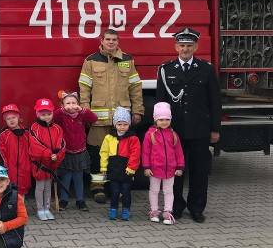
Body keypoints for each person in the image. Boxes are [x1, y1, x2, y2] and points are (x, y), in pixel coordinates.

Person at [156, 27, 221, 223]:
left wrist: (215, 129)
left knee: (200, 171)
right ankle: (175, 206)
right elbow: (161, 102)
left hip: (200, 129)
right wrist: (160, 130)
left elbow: (215, 101)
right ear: (176, 47)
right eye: (182, 45)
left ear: (196, 47)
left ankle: (196, 207)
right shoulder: (166, 69)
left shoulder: (207, 69)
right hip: (174, 131)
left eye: (189, 46)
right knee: (174, 171)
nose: (185, 49)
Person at [78, 29, 144, 203]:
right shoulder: (91, 61)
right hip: (98, 120)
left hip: (120, 120)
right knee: (97, 152)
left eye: (114, 39)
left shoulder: (127, 60)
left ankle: (118, 186)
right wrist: (85, 112)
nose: (111, 42)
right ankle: (98, 187)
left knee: (120, 155)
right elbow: (84, 88)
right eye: (108, 39)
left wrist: (137, 110)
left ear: (118, 41)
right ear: (102, 40)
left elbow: (135, 88)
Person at [52, 91, 98, 211]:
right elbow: (53, 117)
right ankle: (63, 201)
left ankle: (80, 201)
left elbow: (94, 118)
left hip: (80, 152)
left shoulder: (81, 115)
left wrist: (82, 109)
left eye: (73, 103)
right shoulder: (61, 115)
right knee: (66, 177)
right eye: (67, 103)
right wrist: (62, 110)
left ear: (78, 104)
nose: (71, 106)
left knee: (78, 178)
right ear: (63, 105)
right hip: (66, 152)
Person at [142, 102, 185, 225]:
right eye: (161, 119)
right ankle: (154, 211)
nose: (164, 122)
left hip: (170, 169)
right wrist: (146, 167)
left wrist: (180, 166)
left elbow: (179, 152)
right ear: (155, 120)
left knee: (169, 191)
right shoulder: (150, 134)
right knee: (154, 190)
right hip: (154, 169)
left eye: (167, 119)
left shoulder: (173, 134)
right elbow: (145, 152)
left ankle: (167, 212)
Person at [99, 107, 141, 221]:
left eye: (125, 124)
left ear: (129, 125)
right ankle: (113, 209)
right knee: (114, 191)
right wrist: (103, 166)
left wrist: (131, 168)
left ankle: (126, 210)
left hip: (126, 170)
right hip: (113, 169)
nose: (122, 127)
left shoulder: (133, 138)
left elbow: (135, 154)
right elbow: (104, 152)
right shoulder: (109, 137)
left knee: (126, 192)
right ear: (114, 124)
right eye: (119, 124)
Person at [29, 98, 65, 221]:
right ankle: (40, 209)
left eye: (49, 114)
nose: (46, 117)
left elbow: (61, 143)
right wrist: (49, 153)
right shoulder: (34, 128)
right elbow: (35, 145)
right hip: (39, 163)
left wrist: (57, 155)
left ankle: (47, 208)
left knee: (48, 186)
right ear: (38, 115)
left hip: (51, 163)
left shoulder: (57, 128)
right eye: (43, 114)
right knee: (39, 187)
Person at [0, 104, 32, 197]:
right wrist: (5, 165)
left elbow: (32, 149)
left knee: (23, 189)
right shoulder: (4, 135)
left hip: (24, 167)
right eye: (8, 118)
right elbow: (1, 152)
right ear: (5, 121)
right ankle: (11, 210)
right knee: (9, 189)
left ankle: (21, 209)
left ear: (18, 118)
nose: (11, 120)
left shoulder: (27, 133)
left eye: (13, 117)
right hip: (10, 168)